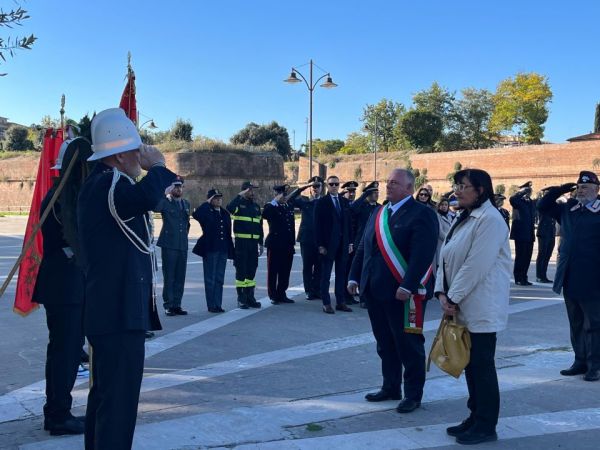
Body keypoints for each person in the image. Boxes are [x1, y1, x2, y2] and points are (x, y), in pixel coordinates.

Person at [78, 108, 176, 450]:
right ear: (119, 154)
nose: (141, 155)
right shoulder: (107, 185)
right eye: (136, 149)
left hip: (115, 312)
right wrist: (159, 165)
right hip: (116, 313)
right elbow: (148, 197)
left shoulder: (109, 185)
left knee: (107, 401)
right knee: (117, 405)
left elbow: (150, 202)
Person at [348, 168, 438, 413]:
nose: (388, 187)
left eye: (395, 183)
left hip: (402, 293)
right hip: (374, 290)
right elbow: (364, 247)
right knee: (384, 343)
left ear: (409, 188)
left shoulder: (422, 214)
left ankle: (413, 394)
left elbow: (423, 254)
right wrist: (354, 276)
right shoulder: (378, 213)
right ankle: (390, 387)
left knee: (408, 345)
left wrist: (408, 285)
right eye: (388, 183)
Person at [436, 168, 511, 445]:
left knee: (481, 366)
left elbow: (475, 265)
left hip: (481, 306)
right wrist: (441, 293)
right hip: (461, 303)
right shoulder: (464, 217)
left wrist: (451, 298)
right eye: (456, 185)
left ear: (480, 190)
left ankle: (486, 424)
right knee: (470, 364)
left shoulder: (490, 220)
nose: (457, 190)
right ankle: (475, 415)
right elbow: (445, 256)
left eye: (463, 186)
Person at [33, 137, 92, 436]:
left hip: (69, 285)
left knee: (66, 352)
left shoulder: (66, 194)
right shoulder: (63, 198)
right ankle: (58, 415)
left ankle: (58, 411)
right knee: (64, 353)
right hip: (64, 286)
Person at [538, 171, 600, 382]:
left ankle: (595, 366)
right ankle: (580, 361)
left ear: (596, 190)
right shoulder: (568, 209)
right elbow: (543, 206)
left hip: (593, 277)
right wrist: (560, 190)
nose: (581, 190)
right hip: (569, 275)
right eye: (579, 187)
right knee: (575, 323)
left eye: (586, 187)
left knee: (593, 324)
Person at [315, 175, 353, 314]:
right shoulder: (322, 202)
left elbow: (348, 224)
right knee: (325, 275)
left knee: (341, 275)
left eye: (336, 184)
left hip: (343, 244)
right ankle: (326, 303)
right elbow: (317, 225)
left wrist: (350, 242)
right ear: (327, 186)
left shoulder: (344, 201)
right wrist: (320, 245)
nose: (334, 186)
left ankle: (340, 302)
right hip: (328, 245)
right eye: (331, 184)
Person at [192, 188, 234, 313]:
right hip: (210, 249)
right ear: (210, 199)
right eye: (215, 198)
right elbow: (196, 214)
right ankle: (211, 305)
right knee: (210, 278)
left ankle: (218, 304)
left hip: (222, 249)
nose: (219, 200)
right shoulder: (206, 211)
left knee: (220, 278)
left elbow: (228, 233)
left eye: (220, 198)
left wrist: (231, 252)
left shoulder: (225, 213)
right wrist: (207, 203)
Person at [263, 184, 305, 304]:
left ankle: (282, 293)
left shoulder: (288, 206)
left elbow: (293, 197)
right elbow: (265, 214)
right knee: (273, 271)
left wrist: (303, 188)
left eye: (284, 195)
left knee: (285, 271)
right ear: (276, 195)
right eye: (280, 195)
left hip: (287, 245)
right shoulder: (270, 206)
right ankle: (273, 295)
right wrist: (275, 201)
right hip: (275, 245)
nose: (283, 197)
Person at [155, 176, 190, 316]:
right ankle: (168, 305)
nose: (178, 189)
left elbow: (186, 223)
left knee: (180, 276)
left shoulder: (186, 203)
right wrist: (164, 193)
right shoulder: (165, 202)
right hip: (169, 244)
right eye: (175, 187)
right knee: (169, 276)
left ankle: (177, 304)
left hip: (182, 244)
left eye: (180, 187)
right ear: (171, 189)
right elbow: (155, 207)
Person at [227, 181, 263, 309]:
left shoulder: (256, 207)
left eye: (254, 190)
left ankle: (250, 297)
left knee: (251, 271)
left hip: (253, 245)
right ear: (245, 191)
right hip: (241, 244)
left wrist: (261, 243)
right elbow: (229, 208)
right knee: (241, 272)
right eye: (251, 190)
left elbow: (260, 226)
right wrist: (239, 195)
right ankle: (241, 298)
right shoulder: (239, 205)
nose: (253, 193)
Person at [348, 181, 379, 307]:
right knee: (360, 268)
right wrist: (364, 195)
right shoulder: (361, 206)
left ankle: (367, 295)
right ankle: (362, 297)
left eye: (377, 192)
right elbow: (352, 208)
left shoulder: (379, 207)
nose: (376, 195)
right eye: (373, 193)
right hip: (360, 242)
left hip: (374, 244)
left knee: (371, 269)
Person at [292, 176, 323, 300]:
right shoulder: (304, 201)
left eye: (318, 186)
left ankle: (317, 290)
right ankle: (309, 290)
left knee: (319, 266)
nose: (315, 188)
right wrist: (302, 188)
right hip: (306, 239)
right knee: (307, 266)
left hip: (320, 239)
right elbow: (290, 199)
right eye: (313, 186)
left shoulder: (324, 201)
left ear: (321, 187)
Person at [510, 181, 536, 285]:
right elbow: (512, 199)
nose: (529, 192)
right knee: (520, 256)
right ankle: (518, 278)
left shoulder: (529, 202)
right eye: (527, 190)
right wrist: (520, 192)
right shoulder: (518, 201)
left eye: (530, 190)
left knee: (527, 257)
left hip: (529, 234)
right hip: (520, 234)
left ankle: (524, 277)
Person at [535, 188, 556, 283]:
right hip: (543, 232)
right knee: (542, 254)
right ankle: (539, 275)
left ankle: (544, 275)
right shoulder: (541, 203)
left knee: (548, 255)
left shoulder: (553, 204)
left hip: (551, 232)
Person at [435, 197, 454, 269]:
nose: (444, 206)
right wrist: (449, 239)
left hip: (448, 245)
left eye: (446, 205)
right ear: (439, 205)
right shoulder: (437, 216)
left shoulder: (449, 216)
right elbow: (440, 232)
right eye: (442, 204)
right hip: (440, 244)